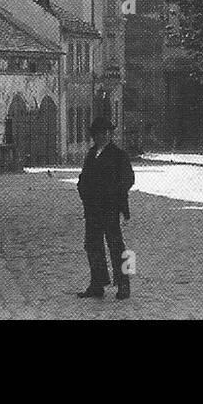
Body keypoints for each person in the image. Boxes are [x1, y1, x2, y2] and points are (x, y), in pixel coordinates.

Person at [76, 117, 135, 300]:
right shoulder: (91, 154)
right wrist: (83, 190)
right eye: (96, 134)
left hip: (110, 208)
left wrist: (114, 194)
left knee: (118, 247)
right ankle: (97, 283)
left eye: (104, 133)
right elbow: (83, 179)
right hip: (93, 208)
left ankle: (124, 284)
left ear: (109, 134)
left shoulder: (119, 155)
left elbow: (128, 179)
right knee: (93, 246)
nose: (100, 137)